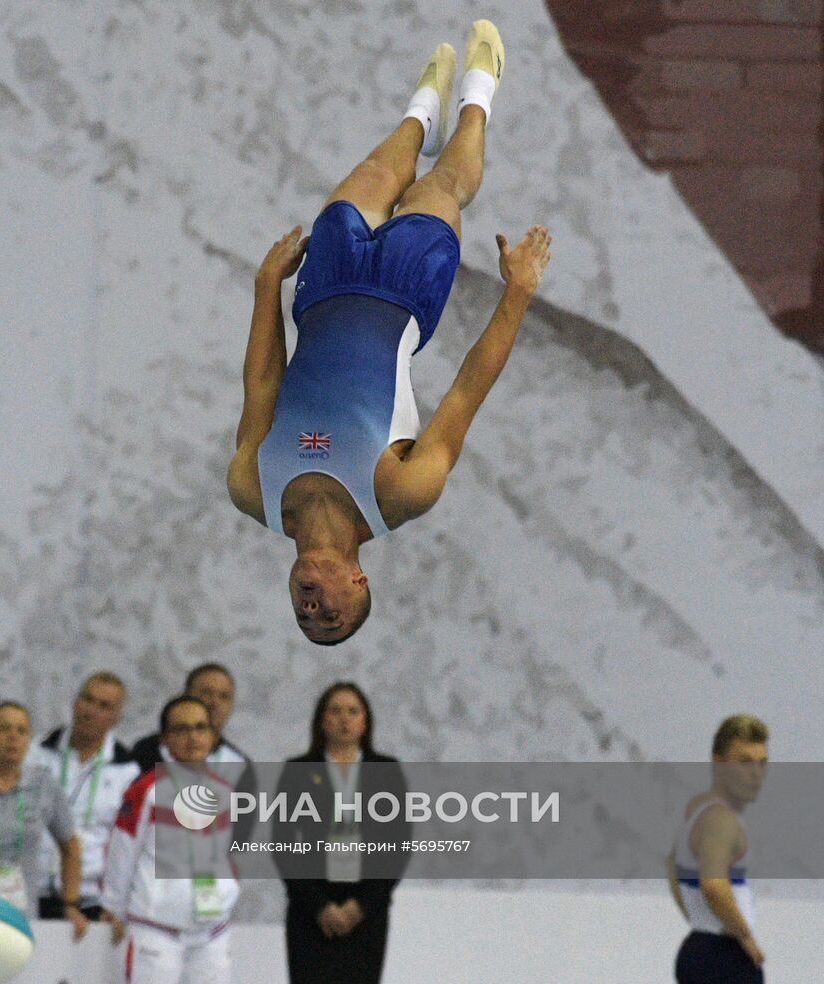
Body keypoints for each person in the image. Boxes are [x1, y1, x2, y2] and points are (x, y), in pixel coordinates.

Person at [225, 21, 554, 643]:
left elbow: (263, 379)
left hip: (322, 290)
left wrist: (267, 288)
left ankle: (420, 112)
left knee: (379, 168)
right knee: (441, 186)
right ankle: (478, 95)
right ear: (359, 582)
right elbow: (464, 395)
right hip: (405, 295)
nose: (314, 607)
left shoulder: (252, 488)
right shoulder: (399, 493)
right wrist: (518, 293)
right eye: (332, 615)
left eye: (305, 617)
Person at [275, 682, 408, 984]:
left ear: (365, 721)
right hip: (311, 910)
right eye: (335, 711)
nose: (344, 719)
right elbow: (282, 844)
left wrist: (361, 906)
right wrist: (319, 906)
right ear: (321, 720)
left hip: (366, 908)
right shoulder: (298, 769)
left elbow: (398, 846)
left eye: (353, 711)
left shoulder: (386, 770)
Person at [102, 697, 239, 984]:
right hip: (157, 932)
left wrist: (228, 895)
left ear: (213, 736)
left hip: (212, 934)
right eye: (182, 729)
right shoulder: (146, 790)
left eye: (201, 728)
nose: (193, 737)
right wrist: (113, 907)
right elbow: (122, 850)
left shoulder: (226, 792)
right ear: (165, 738)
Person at [30, 671, 142, 921]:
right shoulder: (34, 754)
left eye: (104, 706)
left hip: (89, 900)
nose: (91, 711)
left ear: (115, 718)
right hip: (29, 892)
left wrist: (117, 903)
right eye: (87, 700)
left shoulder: (127, 770)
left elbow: (127, 846)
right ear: (75, 703)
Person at [667, 714, 769, 984]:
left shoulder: (697, 810)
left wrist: (699, 920)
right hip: (723, 957)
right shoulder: (721, 820)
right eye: (745, 762)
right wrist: (745, 937)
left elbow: (672, 868)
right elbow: (713, 885)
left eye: (762, 763)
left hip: (701, 947)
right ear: (719, 764)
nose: (756, 773)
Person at [0, 702, 87, 936]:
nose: (13, 737)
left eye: (21, 731)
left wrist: (71, 904)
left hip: (22, 915)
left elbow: (71, 846)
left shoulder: (43, 783)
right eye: (4, 729)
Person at [130, 663, 249, 771]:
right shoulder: (146, 752)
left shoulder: (239, 764)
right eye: (206, 693)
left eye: (224, 696)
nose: (215, 703)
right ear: (187, 696)